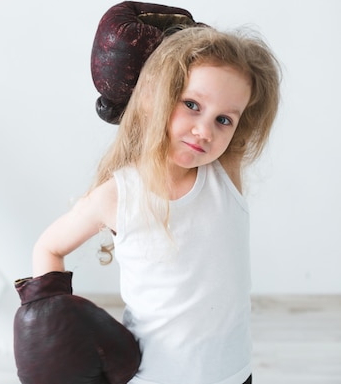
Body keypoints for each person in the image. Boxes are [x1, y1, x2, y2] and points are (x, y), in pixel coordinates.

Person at [31, 26, 281, 384]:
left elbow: (221, 80)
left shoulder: (225, 172)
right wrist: (51, 319)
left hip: (234, 374)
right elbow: (49, 246)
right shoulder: (119, 194)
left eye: (223, 119)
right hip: (156, 377)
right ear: (156, 96)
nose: (204, 131)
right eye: (191, 105)